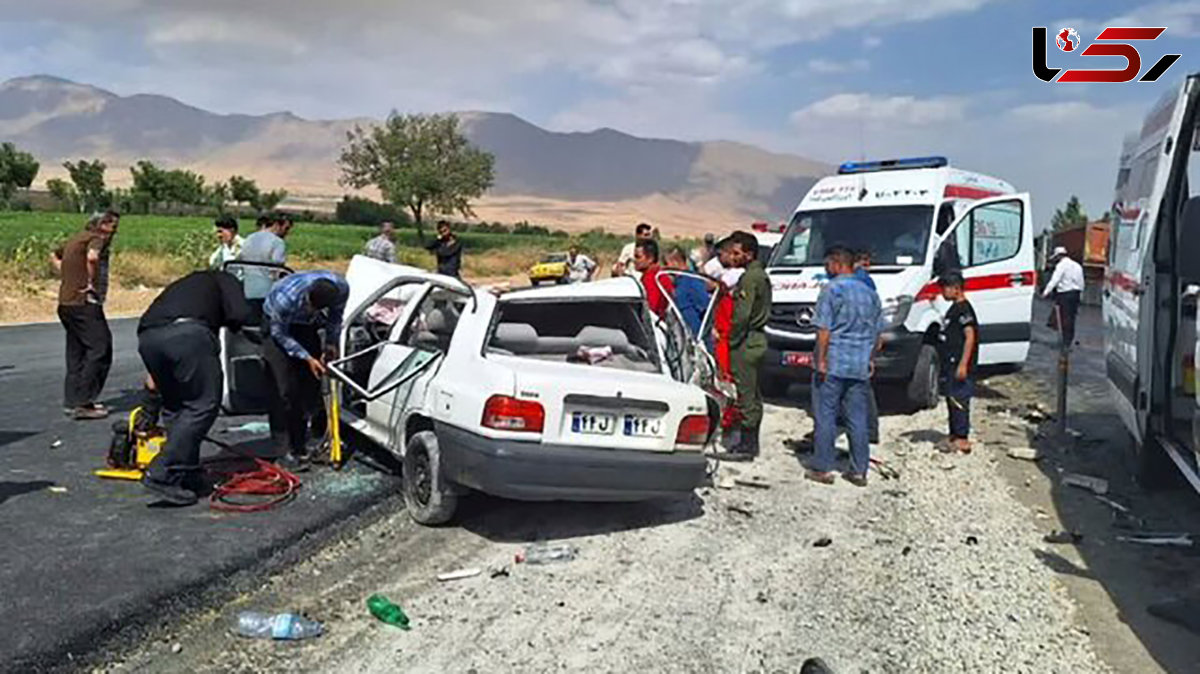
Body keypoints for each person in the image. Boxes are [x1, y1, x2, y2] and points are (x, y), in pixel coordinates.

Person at [136, 271, 252, 505]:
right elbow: (241, 313)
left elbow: (153, 380)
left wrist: (148, 406)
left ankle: (184, 473)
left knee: (176, 406)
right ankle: (163, 472)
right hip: (188, 335)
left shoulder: (186, 285)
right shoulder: (228, 280)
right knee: (203, 404)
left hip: (148, 336)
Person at [807, 245, 882, 486]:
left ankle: (823, 467)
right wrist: (869, 359)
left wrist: (820, 359)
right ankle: (859, 470)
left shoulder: (832, 290)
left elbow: (824, 331)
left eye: (828, 264)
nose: (826, 269)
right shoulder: (870, 294)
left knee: (825, 415)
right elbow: (878, 336)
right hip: (859, 365)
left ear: (838, 263)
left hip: (833, 364)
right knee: (857, 418)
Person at [262, 271, 349, 470]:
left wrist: (331, 344)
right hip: (279, 326)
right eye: (310, 306)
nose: (312, 309)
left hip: (305, 325)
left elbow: (335, 318)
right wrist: (307, 357)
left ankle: (303, 440)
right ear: (307, 295)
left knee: (309, 382)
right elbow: (280, 334)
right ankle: (283, 450)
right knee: (282, 389)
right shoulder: (286, 299)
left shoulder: (341, 289)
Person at [51, 210, 119, 420]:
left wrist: (67, 276)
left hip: (66, 304)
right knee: (100, 348)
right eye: (113, 226)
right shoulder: (95, 239)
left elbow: (53, 254)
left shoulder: (76, 238)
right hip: (84, 304)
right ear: (103, 225)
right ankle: (84, 403)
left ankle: (72, 401)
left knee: (76, 352)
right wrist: (89, 283)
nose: (114, 231)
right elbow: (92, 258)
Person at [724, 230, 771, 460]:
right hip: (756, 339)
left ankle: (747, 445)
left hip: (747, 342)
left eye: (737, 253)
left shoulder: (751, 278)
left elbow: (742, 315)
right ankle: (750, 443)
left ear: (749, 254)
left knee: (746, 394)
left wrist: (732, 340)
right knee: (753, 393)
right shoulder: (758, 275)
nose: (733, 257)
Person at [937, 271, 978, 454]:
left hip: (959, 363)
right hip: (950, 361)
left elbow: (970, 337)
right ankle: (954, 434)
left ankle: (962, 438)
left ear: (956, 289)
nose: (942, 292)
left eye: (945, 288)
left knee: (960, 399)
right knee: (951, 398)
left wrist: (963, 364)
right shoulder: (954, 308)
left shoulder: (964, 309)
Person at [240, 212, 292, 299]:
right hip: (266, 292)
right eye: (286, 229)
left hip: (247, 289)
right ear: (276, 225)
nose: (286, 233)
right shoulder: (277, 242)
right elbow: (277, 271)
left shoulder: (248, 238)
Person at [1043, 246, 1084, 348]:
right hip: (1075, 294)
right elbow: (1081, 283)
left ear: (1058, 256)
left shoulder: (1061, 266)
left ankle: (1064, 342)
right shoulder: (1077, 265)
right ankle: (1068, 341)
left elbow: (1055, 280)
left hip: (1064, 294)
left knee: (1062, 318)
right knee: (1071, 318)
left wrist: (1045, 292)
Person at [665, 246, 709, 336]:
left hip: (696, 337)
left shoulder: (692, 281)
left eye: (666, 263)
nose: (665, 268)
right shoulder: (678, 284)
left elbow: (705, 308)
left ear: (675, 262)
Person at [632, 238, 674, 317]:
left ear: (650, 259)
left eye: (638, 257)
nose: (634, 260)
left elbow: (651, 310)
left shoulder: (652, 279)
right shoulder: (659, 275)